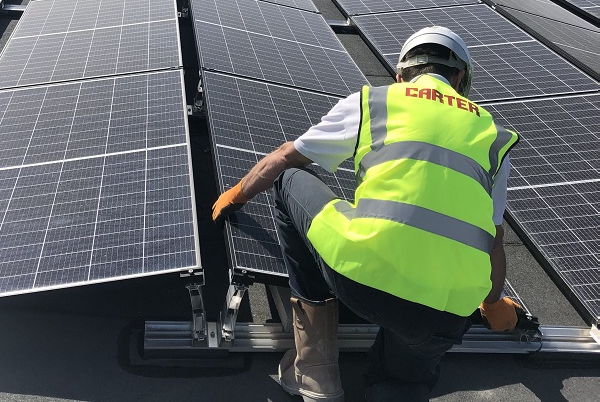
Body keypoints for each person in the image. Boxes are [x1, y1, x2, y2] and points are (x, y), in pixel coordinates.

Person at [212, 27, 529, 402]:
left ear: (401, 76)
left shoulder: (377, 101)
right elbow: (493, 238)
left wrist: (237, 194)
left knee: (288, 179)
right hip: (445, 314)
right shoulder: (493, 135)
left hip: (363, 282)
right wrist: (493, 306)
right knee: (403, 381)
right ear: (460, 78)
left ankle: (315, 373)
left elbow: (285, 158)